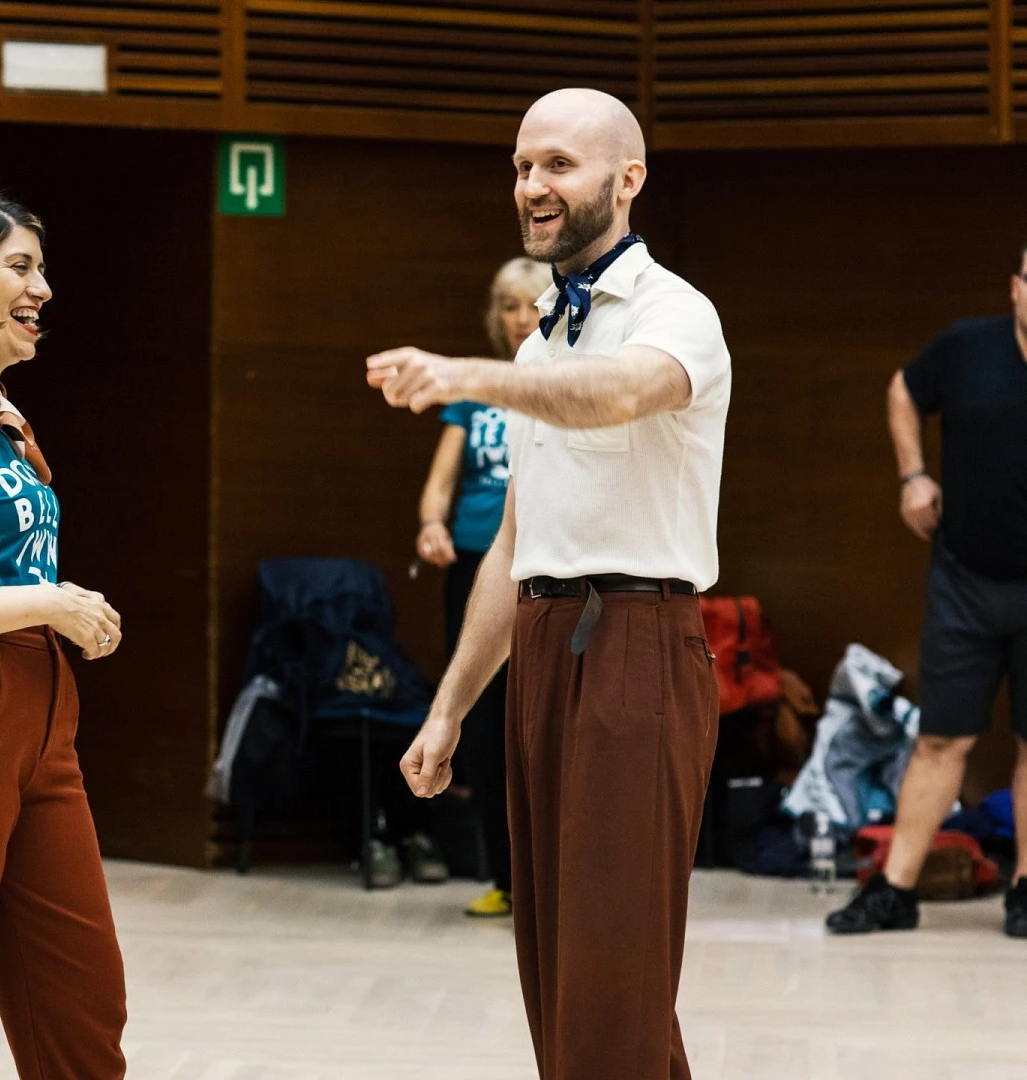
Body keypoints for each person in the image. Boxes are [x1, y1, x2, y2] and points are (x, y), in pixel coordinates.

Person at [366, 88, 731, 1080]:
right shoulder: (540, 344)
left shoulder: (675, 313)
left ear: (628, 178)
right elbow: (515, 545)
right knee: (567, 972)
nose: (534, 185)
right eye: (524, 165)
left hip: (639, 647)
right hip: (542, 647)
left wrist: (465, 375)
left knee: (611, 972)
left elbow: (615, 397)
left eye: (560, 164)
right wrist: (448, 712)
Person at [0, 190, 128, 1077]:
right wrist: (47, 603)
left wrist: (58, 612)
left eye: (42, 268)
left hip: (41, 726)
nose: (44, 288)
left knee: (82, 1009)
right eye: (19, 266)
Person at [827, 245, 1027, 939]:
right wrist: (913, 476)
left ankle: (1025, 891)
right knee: (941, 738)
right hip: (966, 579)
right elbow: (903, 390)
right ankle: (895, 889)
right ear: (1015, 287)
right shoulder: (969, 347)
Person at [415, 256, 550, 917]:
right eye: (509, 307)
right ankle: (504, 876)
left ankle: (552, 881)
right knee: (486, 725)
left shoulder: (560, 381)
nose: (521, 318)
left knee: (543, 721)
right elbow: (440, 481)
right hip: (477, 568)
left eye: (531, 304)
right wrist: (432, 524)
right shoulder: (476, 391)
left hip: (546, 569)